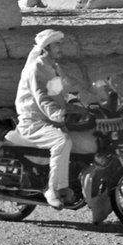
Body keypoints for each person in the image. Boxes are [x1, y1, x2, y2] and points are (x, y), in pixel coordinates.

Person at [13, 28, 92, 208]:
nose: (60, 47)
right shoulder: (37, 68)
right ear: (46, 47)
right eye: (56, 44)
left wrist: (93, 97)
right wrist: (60, 113)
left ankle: (71, 183)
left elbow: (67, 87)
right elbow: (43, 97)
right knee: (62, 141)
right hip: (34, 122)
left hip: (51, 119)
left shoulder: (52, 66)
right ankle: (53, 190)